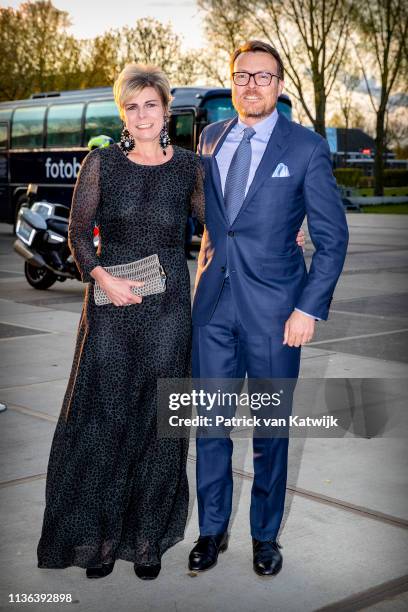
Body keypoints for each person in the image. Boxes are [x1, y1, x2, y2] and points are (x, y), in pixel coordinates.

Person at [36, 63, 205, 581]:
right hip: (110, 310)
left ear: (166, 108)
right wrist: (102, 279)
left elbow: (221, 226)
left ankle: (148, 539)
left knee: (160, 425)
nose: (141, 114)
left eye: (149, 104)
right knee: (105, 422)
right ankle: (102, 540)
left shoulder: (189, 168)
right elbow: (79, 237)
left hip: (168, 312)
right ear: (123, 114)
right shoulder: (101, 163)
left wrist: (281, 233)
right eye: (131, 107)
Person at [189, 40, 349, 577]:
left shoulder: (304, 148)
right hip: (212, 308)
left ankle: (264, 536)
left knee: (270, 433)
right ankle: (211, 532)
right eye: (242, 76)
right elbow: (210, 220)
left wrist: (308, 309)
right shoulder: (211, 137)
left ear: (280, 86)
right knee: (209, 427)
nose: (251, 84)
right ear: (231, 82)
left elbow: (332, 238)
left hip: (277, 314)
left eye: (263, 76)